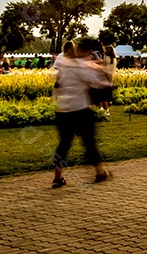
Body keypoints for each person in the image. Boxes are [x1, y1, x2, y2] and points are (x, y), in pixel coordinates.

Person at [52, 39, 110, 188]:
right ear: (87, 50)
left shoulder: (64, 64)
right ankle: (99, 171)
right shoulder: (82, 66)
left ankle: (58, 176)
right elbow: (99, 84)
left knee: (64, 144)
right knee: (89, 142)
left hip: (62, 109)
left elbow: (57, 84)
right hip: (79, 108)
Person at [99, 45, 117, 117]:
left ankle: (105, 110)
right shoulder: (114, 60)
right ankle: (106, 110)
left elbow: (102, 67)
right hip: (110, 79)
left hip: (104, 78)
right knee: (107, 96)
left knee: (103, 96)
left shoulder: (106, 58)